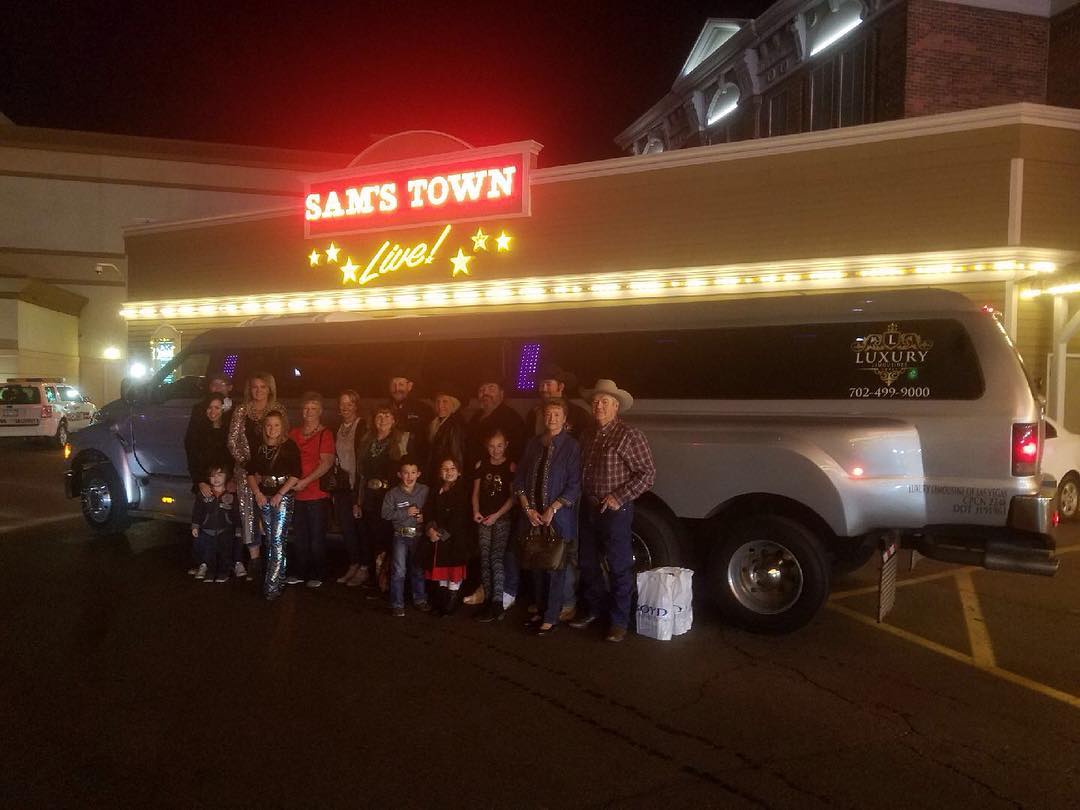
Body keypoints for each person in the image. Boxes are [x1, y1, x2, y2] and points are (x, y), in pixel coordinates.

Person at [571, 380, 656, 643]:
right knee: (587, 563)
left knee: (619, 566)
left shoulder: (630, 435)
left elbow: (648, 474)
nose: (598, 405)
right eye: (596, 401)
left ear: (616, 406)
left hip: (614, 510)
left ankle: (619, 621)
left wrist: (619, 497)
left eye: (605, 402)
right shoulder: (587, 434)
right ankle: (596, 610)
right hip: (589, 506)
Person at [514, 399, 582, 636]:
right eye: (548, 414)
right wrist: (528, 508)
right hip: (532, 517)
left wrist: (552, 509)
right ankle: (540, 609)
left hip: (558, 518)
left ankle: (551, 616)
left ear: (565, 418)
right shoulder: (533, 444)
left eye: (557, 414)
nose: (551, 418)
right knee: (536, 565)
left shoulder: (571, 446)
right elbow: (520, 478)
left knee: (555, 567)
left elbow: (574, 485)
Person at [228, 372, 286, 580]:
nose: (258, 391)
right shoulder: (241, 410)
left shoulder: (277, 410)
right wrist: (247, 465)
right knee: (248, 515)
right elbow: (232, 440)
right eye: (255, 386)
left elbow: (283, 438)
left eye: (263, 387)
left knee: (271, 515)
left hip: (271, 473)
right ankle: (254, 560)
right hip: (245, 472)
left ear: (269, 388)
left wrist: (267, 468)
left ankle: (274, 562)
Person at [246, 411, 301, 601]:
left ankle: (270, 585)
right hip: (264, 495)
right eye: (269, 425)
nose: (272, 429)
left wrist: (280, 493)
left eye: (276, 425)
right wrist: (258, 493)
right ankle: (280, 578)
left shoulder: (289, 446)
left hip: (282, 497)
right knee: (271, 540)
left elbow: (296, 474)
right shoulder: (259, 447)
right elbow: (250, 472)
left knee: (277, 539)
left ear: (282, 426)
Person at [357, 406, 411, 591]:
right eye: (379, 415)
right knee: (371, 538)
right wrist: (359, 501)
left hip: (389, 497)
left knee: (387, 539)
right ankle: (374, 578)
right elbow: (361, 475)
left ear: (394, 420)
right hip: (370, 496)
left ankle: (386, 581)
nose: (382, 419)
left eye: (387, 416)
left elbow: (405, 472)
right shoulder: (367, 440)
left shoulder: (401, 440)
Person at [287, 392, 335, 589]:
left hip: (317, 494)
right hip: (297, 494)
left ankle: (319, 573)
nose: (309, 412)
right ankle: (301, 571)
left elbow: (326, 462)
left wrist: (306, 481)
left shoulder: (325, 434)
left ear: (320, 411)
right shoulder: (293, 434)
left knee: (317, 537)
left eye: (313, 408)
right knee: (300, 536)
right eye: (306, 408)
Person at [184, 393, 232, 576]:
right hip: (204, 483)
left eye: (217, 408)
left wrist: (229, 481)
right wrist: (200, 482)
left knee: (225, 526)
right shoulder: (198, 431)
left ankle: (224, 564)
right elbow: (193, 459)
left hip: (225, 485)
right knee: (203, 525)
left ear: (223, 409)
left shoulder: (228, 431)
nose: (213, 411)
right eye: (210, 408)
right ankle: (201, 562)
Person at [472, 431, 515, 622]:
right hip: (483, 518)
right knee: (484, 557)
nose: (495, 450)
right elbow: (475, 492)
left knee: (496, 557)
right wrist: (476, 511)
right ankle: (488, 599)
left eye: (499, 445)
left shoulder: (511, 466)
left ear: (506, 445)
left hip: (501, 518)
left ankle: (498, 602)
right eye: (491, 446)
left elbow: (513, 497)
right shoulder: (481, 465)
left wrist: (497, 515)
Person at [381, 455, 430, 617]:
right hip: (400, 535)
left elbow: (433, 509)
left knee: (418, 569)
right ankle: (397, 603)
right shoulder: (392, 494)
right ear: (399, 474)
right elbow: (385, 513)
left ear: (419, 474)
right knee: (399, 570)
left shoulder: (424, 491)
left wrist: (425, 517)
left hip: (419, 535)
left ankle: (420, 599)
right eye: (406, 473)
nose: (409, 476)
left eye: (413, 472)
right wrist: (405, 512)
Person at [422, 457, 472, 616]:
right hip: (437, 536)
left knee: (453, 572)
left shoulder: (462, 490)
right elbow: (429, 510)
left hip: (454, 537)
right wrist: (430, 529)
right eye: (445, 469)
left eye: (452, 469)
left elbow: (459, 517)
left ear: (459, 472)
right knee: (441, 571)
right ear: (439, 472)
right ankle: (441, 601)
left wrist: (441, 534)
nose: (449, 472)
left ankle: (451, 602)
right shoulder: (436, 489)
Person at [333, 389, 369, 586]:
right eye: (342, 404)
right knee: (347, 528)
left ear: (356, 405)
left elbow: (363, 460)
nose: (345, 407)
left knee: (360, 528)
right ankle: (353, 564)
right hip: (342, 486)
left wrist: (360, 494)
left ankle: (364, 566)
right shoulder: (338, 428)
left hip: (358, 486)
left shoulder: (362, 426)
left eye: (350, 404)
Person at [190, 464, 238, 583]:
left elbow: (236, 513)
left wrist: (238, 529)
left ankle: (224, 572)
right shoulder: (203, 495)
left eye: (219, 475)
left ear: (226, 477)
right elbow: (197, 511)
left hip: (225, 530)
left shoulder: (231, 495)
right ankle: (210, 572)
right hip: (207, 530)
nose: (216, 478)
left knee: (225, 552)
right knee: (208, 551)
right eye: (212, 476)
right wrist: (195, 526)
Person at [523, 364, 590, 438]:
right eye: (541, 385)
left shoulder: (578, 415)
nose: (544, 389)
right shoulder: (533, 415)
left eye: (548, 384)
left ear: (561, 387)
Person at [387, 371, 434, 460]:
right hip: (389, 461)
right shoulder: (383, 409)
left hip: (415, 464)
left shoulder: (424, 409)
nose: (397, 389)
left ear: (409, 386)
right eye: (393, 385)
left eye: (401, 384)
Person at [425, 387, 466, 485]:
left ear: (453, 404)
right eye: (438, 402)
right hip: (436, 473)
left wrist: (451, 481)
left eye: (445, 402)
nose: (440, 405)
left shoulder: (455, 425)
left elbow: (457, 454)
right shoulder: (435, 423)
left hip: (446, 477)